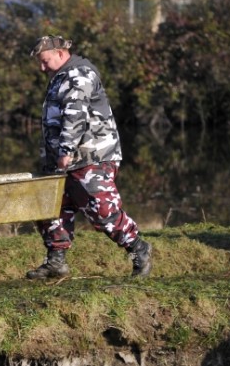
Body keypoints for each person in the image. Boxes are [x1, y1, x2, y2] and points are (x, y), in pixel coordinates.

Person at [26, 35, 153, 279]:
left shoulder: (79, 75)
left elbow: (75, 116)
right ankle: (56, 261)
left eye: (45, 61)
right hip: (64, 161)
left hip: (90, 157)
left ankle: (139, 248)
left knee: (102, 210)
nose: (42, 68)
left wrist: (66, 150)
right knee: (52, 208)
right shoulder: (61, 77)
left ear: (61, 54)